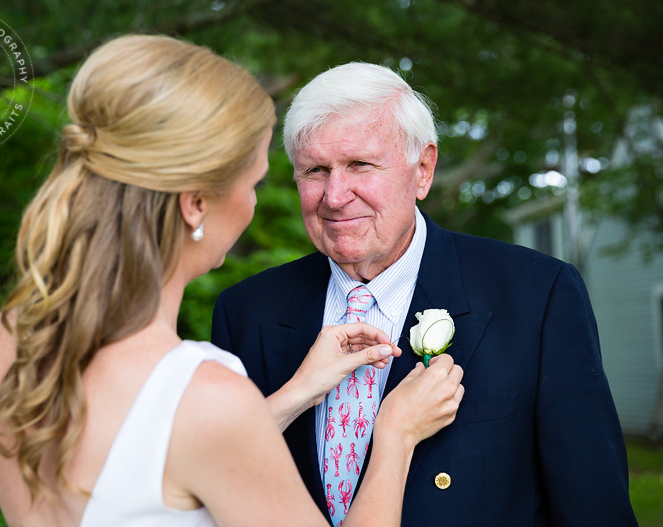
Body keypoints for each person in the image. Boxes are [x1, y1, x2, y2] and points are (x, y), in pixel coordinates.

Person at [0, 36, 465, 527]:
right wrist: (395, 439)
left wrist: (295, 393)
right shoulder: (209, 395)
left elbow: (159, 456)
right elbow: (203, 432)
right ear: (196, 205)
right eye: (253, 183)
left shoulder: (20, 333)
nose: (331, 197)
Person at [211, 62, 638, 526]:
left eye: (360, 164)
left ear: (423, 170)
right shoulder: (246, 312)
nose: (334, 196)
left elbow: (595, 510)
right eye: (315, 170)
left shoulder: (537, 297)